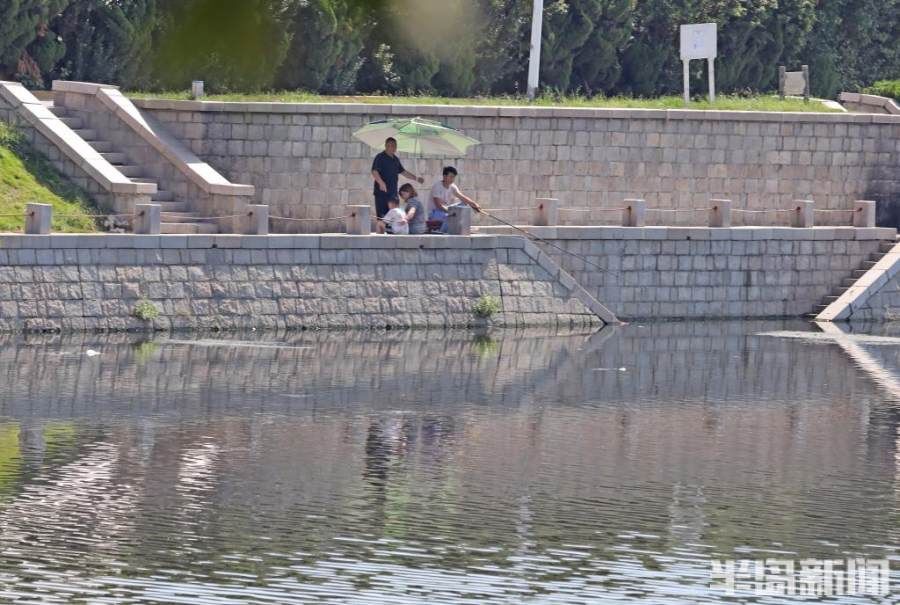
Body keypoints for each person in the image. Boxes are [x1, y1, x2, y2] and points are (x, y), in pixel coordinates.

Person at [371, 137, 424, 219]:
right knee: (382, 217)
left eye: (394, 146)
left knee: (394, 216)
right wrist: (381, 183)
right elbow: (374, 171)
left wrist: (416, 178)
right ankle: (381, 230)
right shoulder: (380, 157)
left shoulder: (396, 159)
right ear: (386, 146)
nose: (392, 147)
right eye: (390, 145)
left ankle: (392, 231)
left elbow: (404, 172)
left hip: (393, 193)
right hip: (382, 193)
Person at [428, 166, 482, 232]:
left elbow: (462, 197)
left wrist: (474, 205)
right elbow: (439, 206)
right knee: (451, 216)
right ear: (444, 176)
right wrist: (452, 212)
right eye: (451, 177)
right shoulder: (437, 186)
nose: (452, 179)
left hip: (448, 211)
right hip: (436, 213)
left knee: (464, 204)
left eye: (453, 177)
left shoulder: (452, 186)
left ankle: (462, 226)